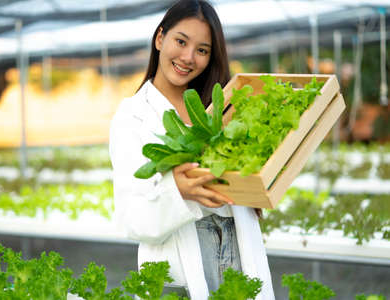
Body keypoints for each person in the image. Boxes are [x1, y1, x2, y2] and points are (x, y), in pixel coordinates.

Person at [109, 1, 275, 299]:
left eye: (202, 50)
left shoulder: (223, 105)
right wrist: (178, 191)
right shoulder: (131, 116)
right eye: (181, 41)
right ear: (160, 39)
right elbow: (131, 219)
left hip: (237, 250)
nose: (188, 57)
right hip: (181, 262)